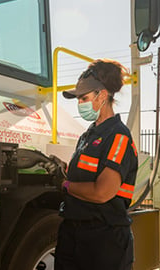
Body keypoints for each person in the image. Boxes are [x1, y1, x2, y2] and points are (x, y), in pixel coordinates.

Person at [54, 59, 138, 270]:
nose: (79, 104)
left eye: (84, 98)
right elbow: (84, 174)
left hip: (104, 239)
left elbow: (103, 192)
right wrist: (61, 169)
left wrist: (65, 185)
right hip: (73, 233)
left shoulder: (118, 136)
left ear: (102, 95)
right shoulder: (87, 136)